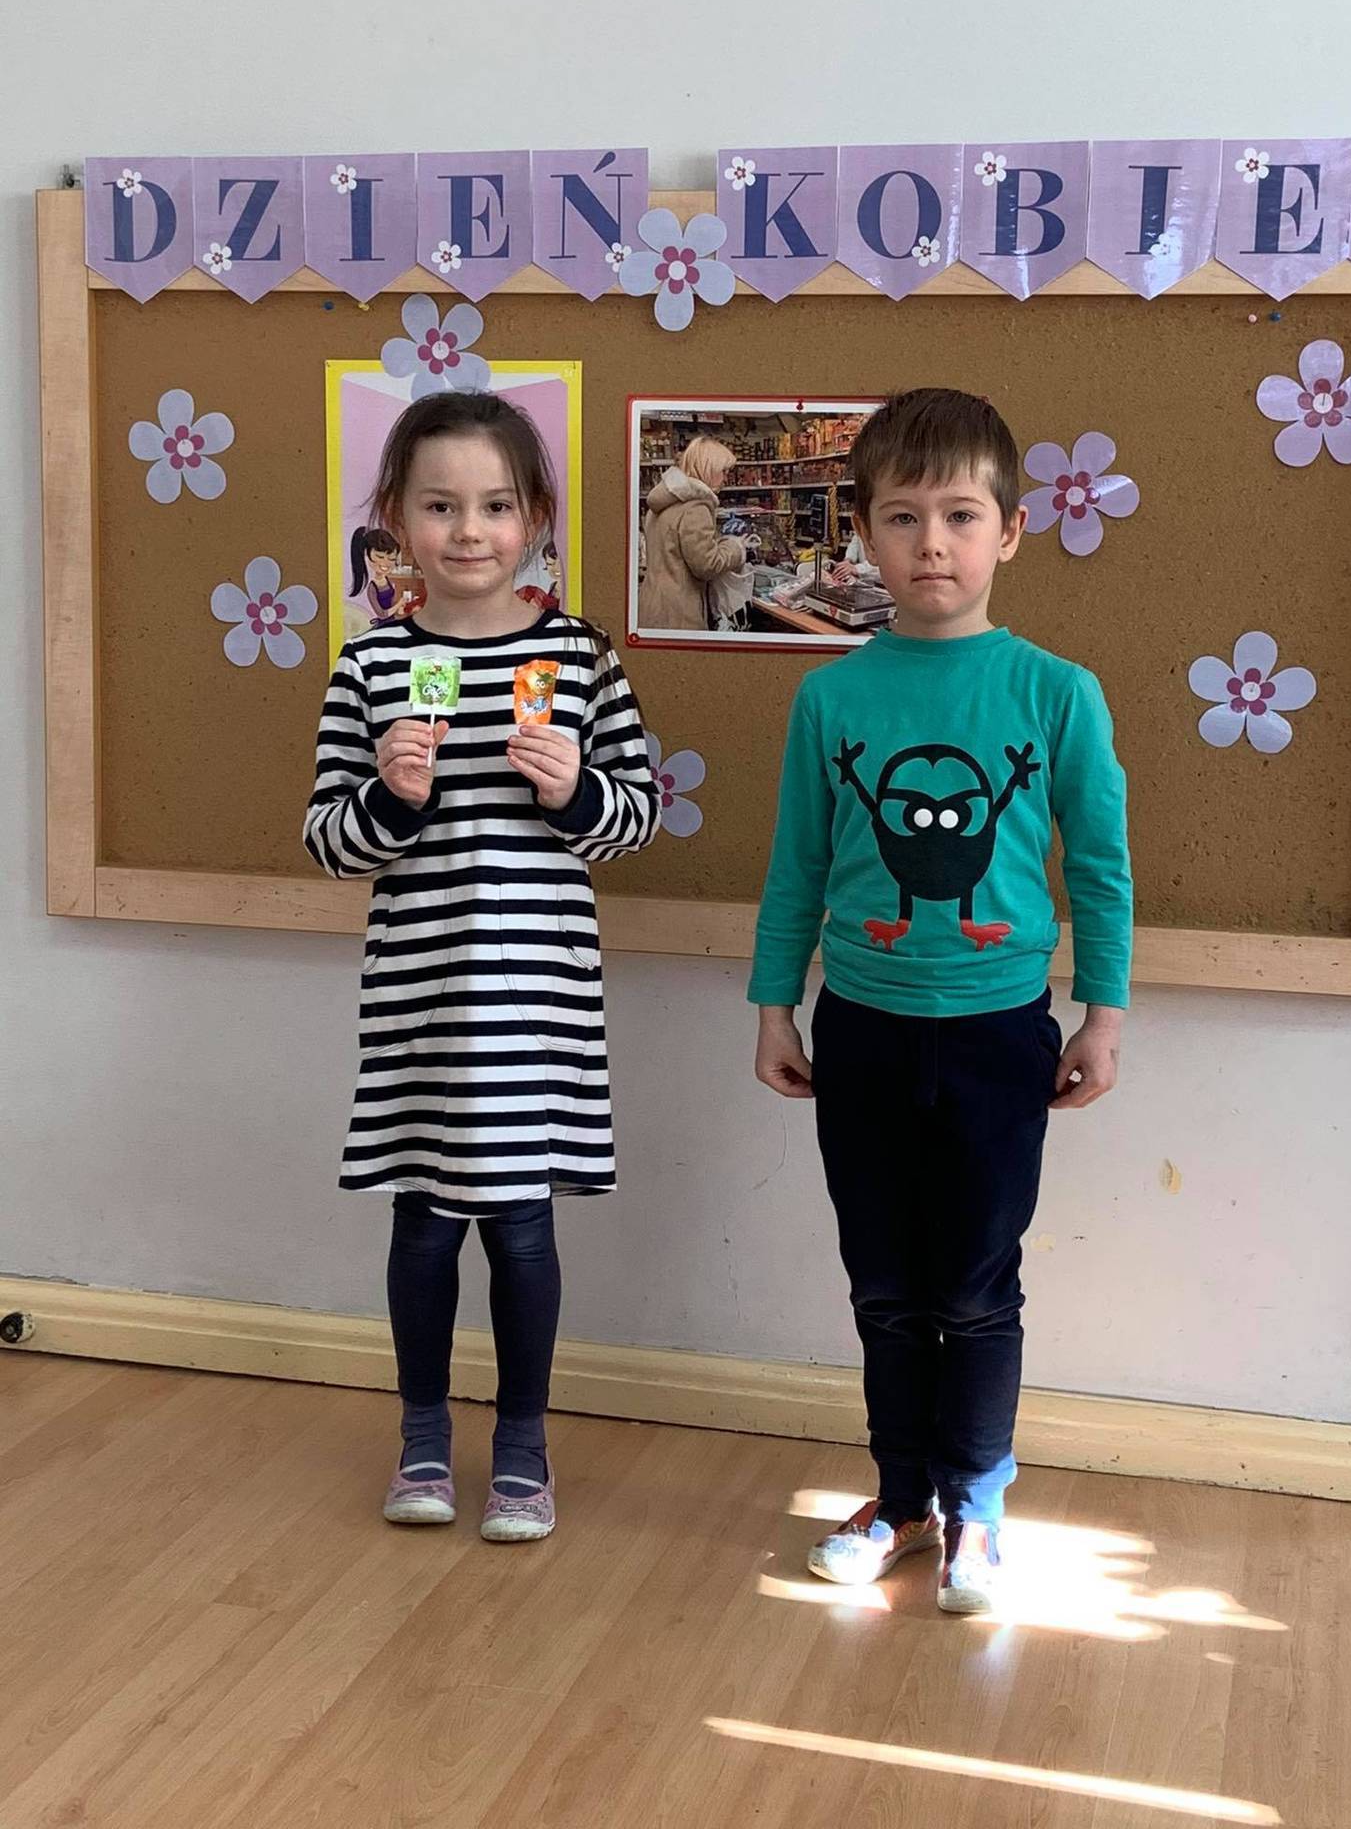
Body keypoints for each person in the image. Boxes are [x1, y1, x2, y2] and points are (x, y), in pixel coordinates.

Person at [749, 388, 1131, 1614]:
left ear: (1009, 531)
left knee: (973, 1289)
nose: (932, 544)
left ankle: (977, 1511)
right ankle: (901, 1499)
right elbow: (799, 865)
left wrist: (1103, 1015)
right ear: (864, 533)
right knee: (882, 1286)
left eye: (962, 516)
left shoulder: (1058, 694)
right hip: (860, 1030)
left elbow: (1100, 868)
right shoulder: (831, 699)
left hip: (999, 1034)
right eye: (903, 517)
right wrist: (775, 1004)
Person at [305, 391, 659, 1544]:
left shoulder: (579, 656)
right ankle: (422, 1434)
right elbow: (328, 841)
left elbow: (634, 821)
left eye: (497, 506)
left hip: (537, 1000)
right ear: (395, 519)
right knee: (421, 1222)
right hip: (420, 993)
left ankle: (521, 1445)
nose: (470, 531)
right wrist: (391, 798)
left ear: (536, 517)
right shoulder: (373, 664)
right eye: (441, 506)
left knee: (520, 1224)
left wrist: (575, 791)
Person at [638, 436, 745, 632]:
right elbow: (707, 565)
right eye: (723, 471)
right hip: (680, 614)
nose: (726, 478)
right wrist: (736, 548)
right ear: (708, 468)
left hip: (653, 606)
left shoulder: (661, 502)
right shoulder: (695, 508)